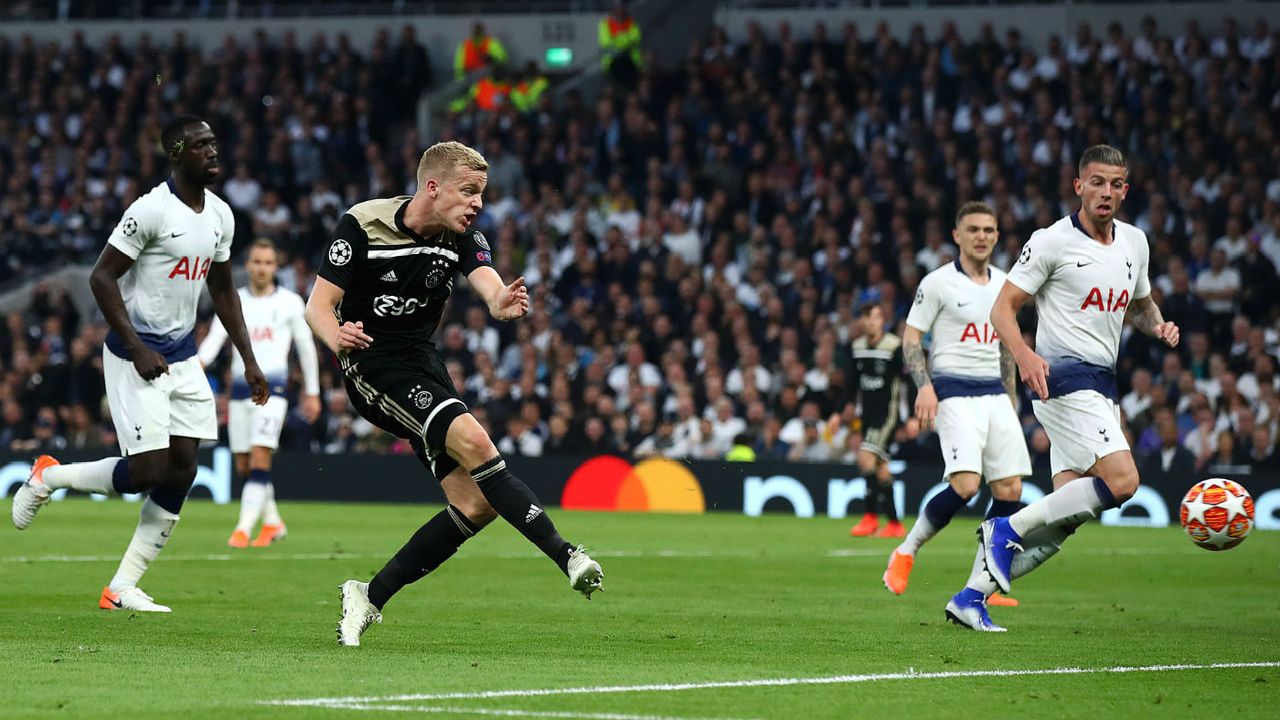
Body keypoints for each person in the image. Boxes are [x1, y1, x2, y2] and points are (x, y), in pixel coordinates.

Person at [305, 141, 603, 647]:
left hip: (422, 363)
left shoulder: (462, 237)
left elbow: (487, 283)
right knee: (478, 443)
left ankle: (367, 595)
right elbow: (318, 305)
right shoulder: (363, 224)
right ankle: (567, 554)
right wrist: (337, 338)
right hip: (372, 364)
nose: (478, 204)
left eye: (482, 194)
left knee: (475, 504)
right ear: (433, 186)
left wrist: (500, 300)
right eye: (469, 192)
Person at [10, 115, 268, 612]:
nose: (213, 152)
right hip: (136, 354)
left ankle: (121, 587)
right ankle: (47, 476)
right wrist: (137, 346)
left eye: (215, 143)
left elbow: (221, 289)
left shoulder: (220, 215)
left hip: (184, 354)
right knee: (148, 470)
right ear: (176, 153)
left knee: (183, 469)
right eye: (201, 145)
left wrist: (248, 358)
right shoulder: (149, 211)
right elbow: (102, 278)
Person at [948, 145, 1180, 632]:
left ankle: (971, 597)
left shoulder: (1135, 243)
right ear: (1079, 186)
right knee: (1124, 482)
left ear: (1125, 190)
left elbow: (1140, 304)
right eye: (1097, 182)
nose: (1106, 192)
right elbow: (1002, 309)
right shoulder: (1052, 241)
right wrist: (1027, 355)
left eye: (1116, 184)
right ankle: (1004, 528)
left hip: (1103, 384)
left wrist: (1158, 325)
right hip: (1063, 378)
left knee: (1059, 526)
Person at [884, 202, 1029, 607]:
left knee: (1010, 487)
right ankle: (905, 551)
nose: (981, 236)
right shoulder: (937, 283)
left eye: (988, 229)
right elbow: (911, 338)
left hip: (995, 394)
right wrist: (924, 386)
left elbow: (1006, 347)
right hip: (951, 389)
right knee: (966, 485)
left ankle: (984, 582)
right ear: (957, 235)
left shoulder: (1006, 284)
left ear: (997, 236)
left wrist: (1012, 399)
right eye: (973, 229)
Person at [198, 238, 321, 548]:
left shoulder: (291, 302)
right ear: (248, 265)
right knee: (244, 464)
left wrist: (313, 392)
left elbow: (306, 348)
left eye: (268, 262)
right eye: (257, 262)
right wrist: (196, 363)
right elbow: (214, 339)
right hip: (239, 392)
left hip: (273, 392)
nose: (262, 268)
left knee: (260, 456)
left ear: (275, 267)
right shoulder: (233, 300)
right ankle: (273, 522)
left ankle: (242, 529)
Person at [845, 301, 905, 538]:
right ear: (862, 320)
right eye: (868, 317)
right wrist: (843, 410)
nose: (872, 322)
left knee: (865, 458)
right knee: (881, 469)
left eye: (877, 317)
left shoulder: (893, 347)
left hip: (887, 415)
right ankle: (894, 524)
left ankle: (870, 517)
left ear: (882, 320)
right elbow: (851, 384)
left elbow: (907, 381)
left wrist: (910, 416)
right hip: (867, 416)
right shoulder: (857, 346)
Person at [599, 0, 644, 86]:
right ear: (613, 8)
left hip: (632, 63)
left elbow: (636, 38)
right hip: (612, 64)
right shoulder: (606, 24)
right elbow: (606, 42)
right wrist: (625, 39)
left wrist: (617, 38)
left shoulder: (631, 22)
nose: (620, 9)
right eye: (618, 6)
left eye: (622, 6)